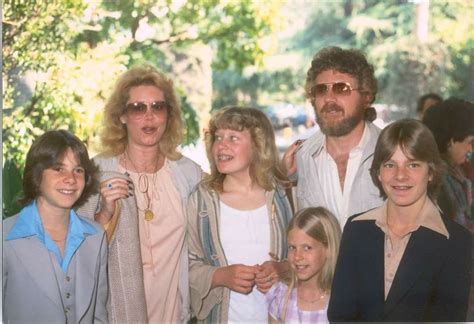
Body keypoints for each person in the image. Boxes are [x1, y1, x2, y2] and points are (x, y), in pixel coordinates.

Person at [77, 65, 202, 323]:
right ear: (121, 115)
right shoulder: (96, 173)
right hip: (115, 315)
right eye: (138, 108)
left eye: (158, 107)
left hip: (173, 315)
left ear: (169, 115)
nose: (150, 116)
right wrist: (104, 213)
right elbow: (77, 250)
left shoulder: (188, 174)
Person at [328, 119, 471, 321]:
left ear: (430, 172)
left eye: (412, 164)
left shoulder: (456, 242)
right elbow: (340, 315)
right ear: (378, 172)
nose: (400, 176)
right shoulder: (356, 229)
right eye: (390, 164)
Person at [187, 106, 294, 323]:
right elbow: (185, 266)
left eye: (233, 137)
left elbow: (306, 256)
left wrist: (280, 269)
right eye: (218, 137)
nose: (221, 145)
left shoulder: (283, 196)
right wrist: (220, 276)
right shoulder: (201, 201)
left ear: (258, 146)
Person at [3, 130, 107, 323]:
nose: (70, 178)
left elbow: (99, 315)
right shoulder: (5, 238)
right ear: (36, 174)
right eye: (59, 168)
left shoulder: (96, 236)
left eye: (78, 170)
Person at [283, 46, 383, 227]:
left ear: (366, 97)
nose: (329, 99)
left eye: (341, 88)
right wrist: (281, 178)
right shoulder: (303, 157)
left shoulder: (392, 152)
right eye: (321, 90)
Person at [266, 207, 341, 323]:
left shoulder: (341, 300)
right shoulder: (281, 296)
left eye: (307, 248)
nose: (297, 256)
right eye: (292, 247)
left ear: (329, 249)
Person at [422, 97, 474, 229]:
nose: (470, 149)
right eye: (469, 142)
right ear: (450, 141)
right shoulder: (435, 181)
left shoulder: (457, 172)